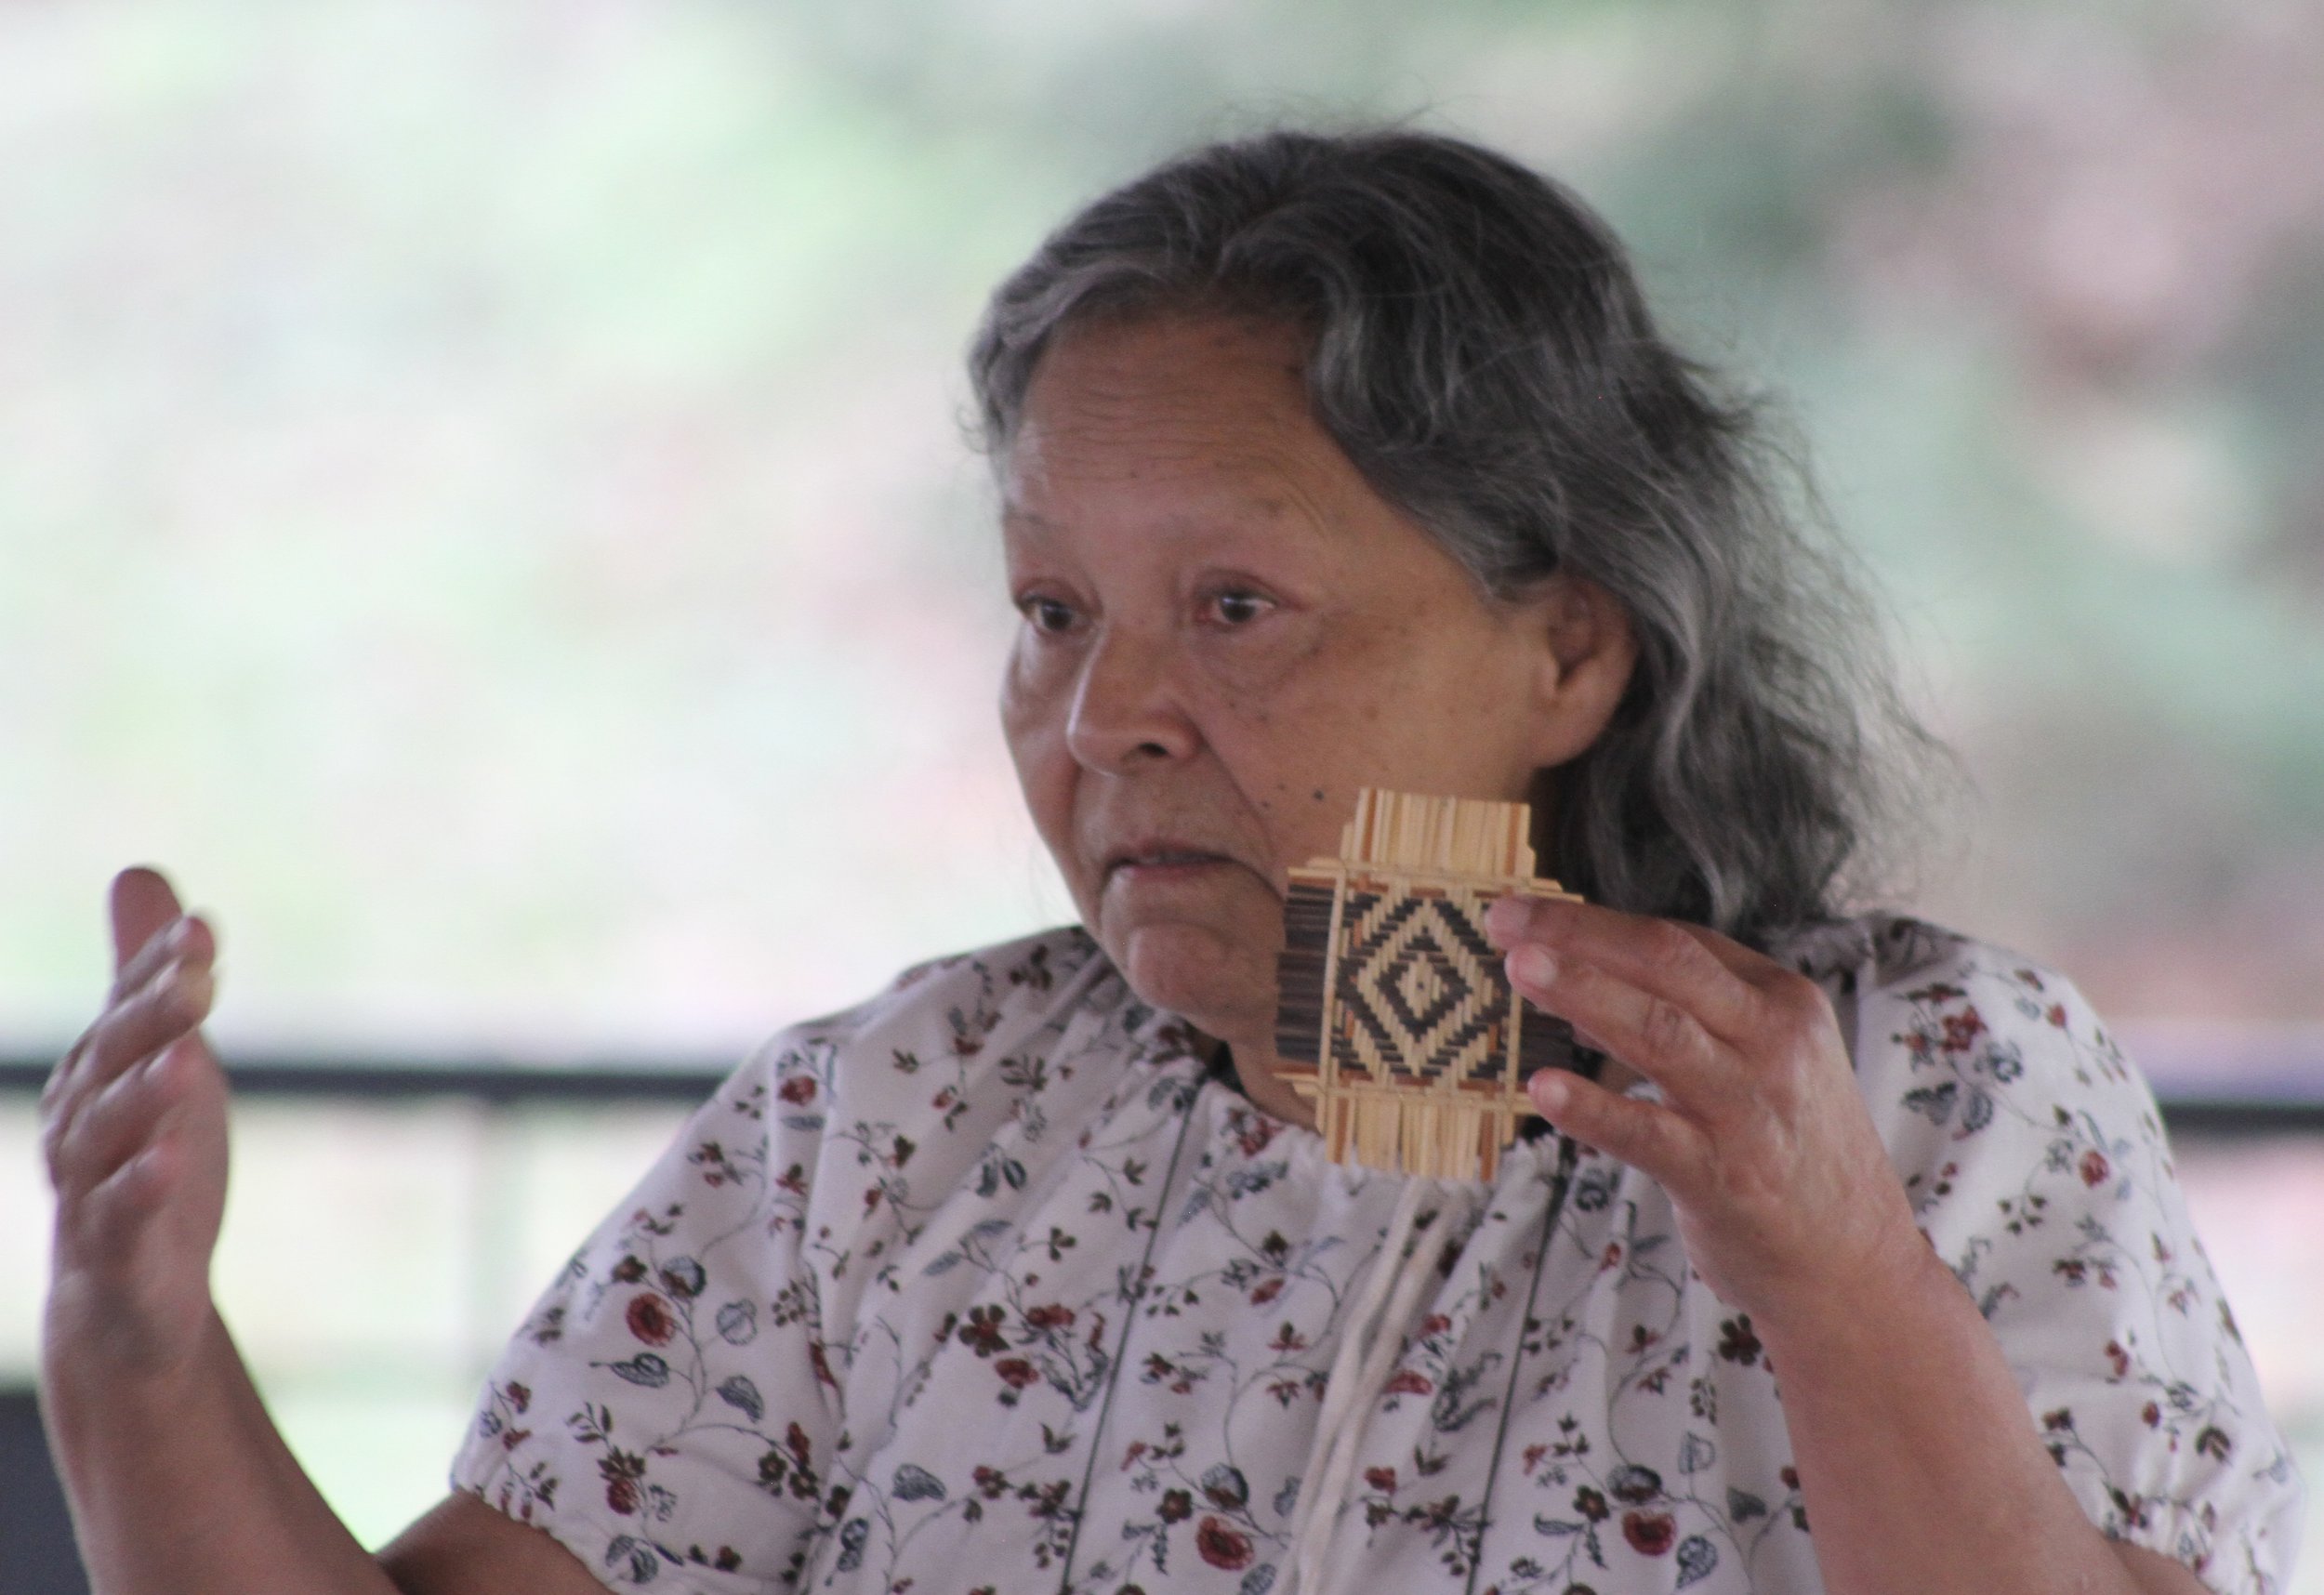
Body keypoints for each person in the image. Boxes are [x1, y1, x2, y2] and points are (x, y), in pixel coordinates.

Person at [39, 127, 2300, 1595]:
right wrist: (139, 1346)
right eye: (1049, 611)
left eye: (1233, 608)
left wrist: (1827, 1272)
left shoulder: (1932, 1095)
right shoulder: (898, 1119)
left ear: (1565, 652)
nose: (1105, 713)